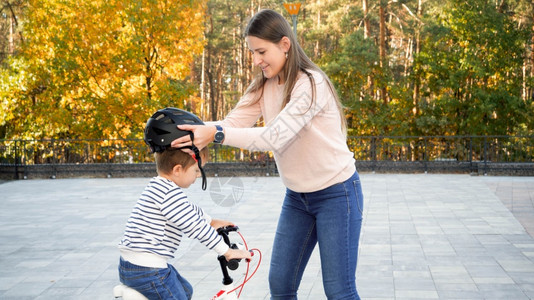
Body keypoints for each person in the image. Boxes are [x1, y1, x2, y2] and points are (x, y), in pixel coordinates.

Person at [172, 9, 364, 299]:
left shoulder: (311, 84)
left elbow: (274, 137)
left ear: (285, 45)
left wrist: (215, 134)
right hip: (297, 198)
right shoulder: (264, 84)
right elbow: (233, 122)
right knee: (280, 286)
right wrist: (191, 132)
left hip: (337, 195)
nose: (256, 60)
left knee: (339, 290)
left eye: (261, 51)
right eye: (252, 52)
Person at [118, 107, 252, 300]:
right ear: (178, 169)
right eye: (197, 171)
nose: (197, 177)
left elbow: (189, 212)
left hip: (135, 266)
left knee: (186, 290)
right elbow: (194, 227)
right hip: (147, 270)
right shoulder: (169, 194)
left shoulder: (160, 186)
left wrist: (212, 221)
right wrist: (227, 251)